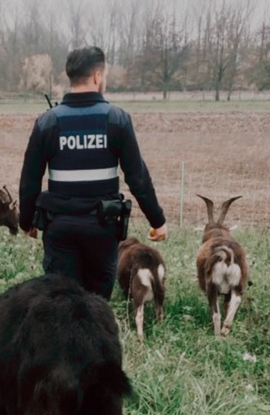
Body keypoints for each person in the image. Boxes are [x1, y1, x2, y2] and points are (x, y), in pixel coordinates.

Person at [18, 45, 167, 299]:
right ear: (97, 77)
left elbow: (30, 178)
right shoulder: (116, 119)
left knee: (62, 303)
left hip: (60, 229)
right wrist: (157, 221)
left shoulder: (48, 122)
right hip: (102, 230)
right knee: (96, 305)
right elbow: (137, 176)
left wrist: (26, 221)